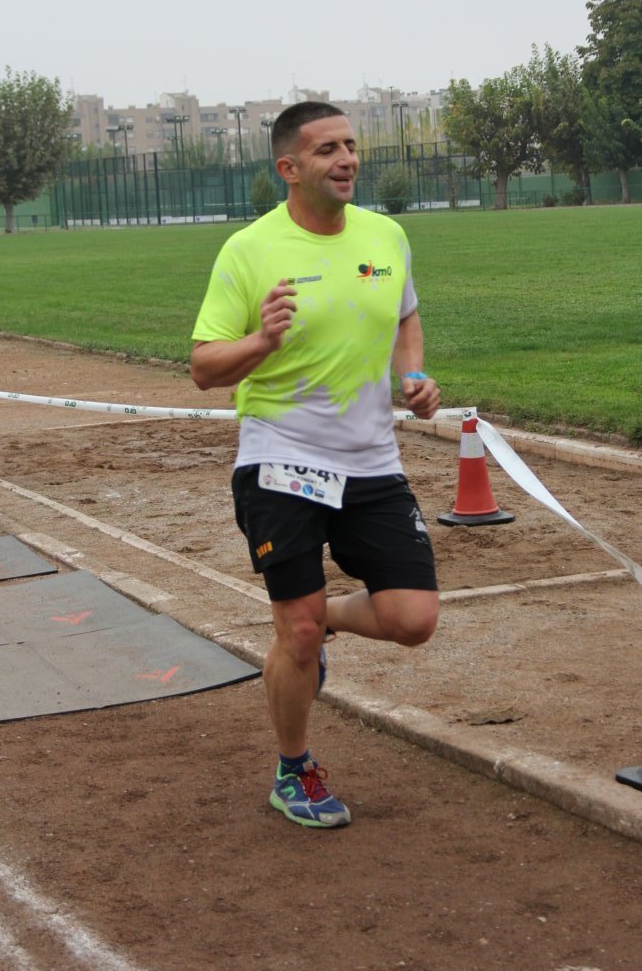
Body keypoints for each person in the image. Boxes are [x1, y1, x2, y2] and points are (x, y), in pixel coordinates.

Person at [190, 101, 440, 828]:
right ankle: (294, 768)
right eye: (327, 148)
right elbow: (204, 367)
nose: (346, 158)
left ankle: (318, 616)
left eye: (350, 145)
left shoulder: (386, 236)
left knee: (413, 619)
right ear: (289, 168)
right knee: (295, 633)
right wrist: (260, 343)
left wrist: (413, 376)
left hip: (371, 460)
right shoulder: (249, 250)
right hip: (281, 457)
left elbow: (404, 315)